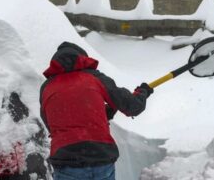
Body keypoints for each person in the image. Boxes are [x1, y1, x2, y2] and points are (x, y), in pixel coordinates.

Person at [39, 42, 153, 180]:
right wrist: (142, 92)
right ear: (82, 59)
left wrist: (104, 113)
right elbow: (132, 106)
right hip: (100, 156)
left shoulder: (47, 87)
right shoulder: (94, 77)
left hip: (67, 161)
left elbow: (54, 123)